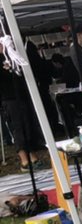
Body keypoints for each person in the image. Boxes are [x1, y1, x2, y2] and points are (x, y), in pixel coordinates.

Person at [0, 43, 47, 172]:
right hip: (9, 99)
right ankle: (24, 160)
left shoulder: (11, 55)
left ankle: (32, 156)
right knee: (18, 128)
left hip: (22, 95)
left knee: (28, 125)